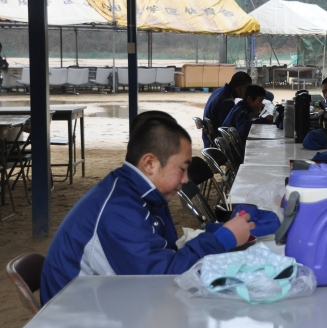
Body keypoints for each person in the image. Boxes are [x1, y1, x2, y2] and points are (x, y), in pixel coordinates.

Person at [40, 117, 255, 304]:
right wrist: (222, 239)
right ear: (150, 163)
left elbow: (164, 253)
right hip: (79, 314)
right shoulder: (118, 210)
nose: (185, 179)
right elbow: (161, 279)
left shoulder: (141, 194)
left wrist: (221, 231)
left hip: (107, 299)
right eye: (182, 168)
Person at [202, 71, 252, 147]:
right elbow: (228, 126)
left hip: (210, 138)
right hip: (219, 141)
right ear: (241, 88)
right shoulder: (226, 100)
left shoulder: (220, 91)